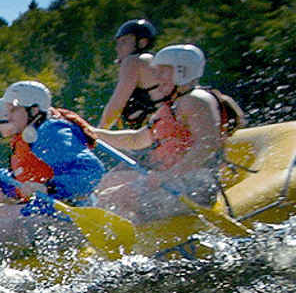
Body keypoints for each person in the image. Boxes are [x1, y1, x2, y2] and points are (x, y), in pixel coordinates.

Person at [0, 80, 105, 266]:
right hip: (45, 216)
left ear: (34, 110)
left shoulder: (51, 132)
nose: (9, 116)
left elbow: (92, 171)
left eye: (14, 110)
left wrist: (48, 187)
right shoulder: (33, 135)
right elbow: (17, 188)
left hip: (66, 223)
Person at [90, 44, 225, 224]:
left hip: (193, 186)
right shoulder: (171, 106)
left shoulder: (195, 101)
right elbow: (136, 139)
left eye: (162, 71)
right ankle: (140, 233)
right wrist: (90, 132)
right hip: (173, 182)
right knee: (103, 183)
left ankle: (131, 243)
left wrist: (168, 176)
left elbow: (207, 145)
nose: (156, 77)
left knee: (110, 197)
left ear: (181, 71)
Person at [98, 19, 160, 130]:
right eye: (118, 43)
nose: (118, 47)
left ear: (142, 43)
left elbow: (116, 105)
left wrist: (99, 132)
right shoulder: (153, 60)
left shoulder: (134, 61)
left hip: (156, 135)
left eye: (124, 41)